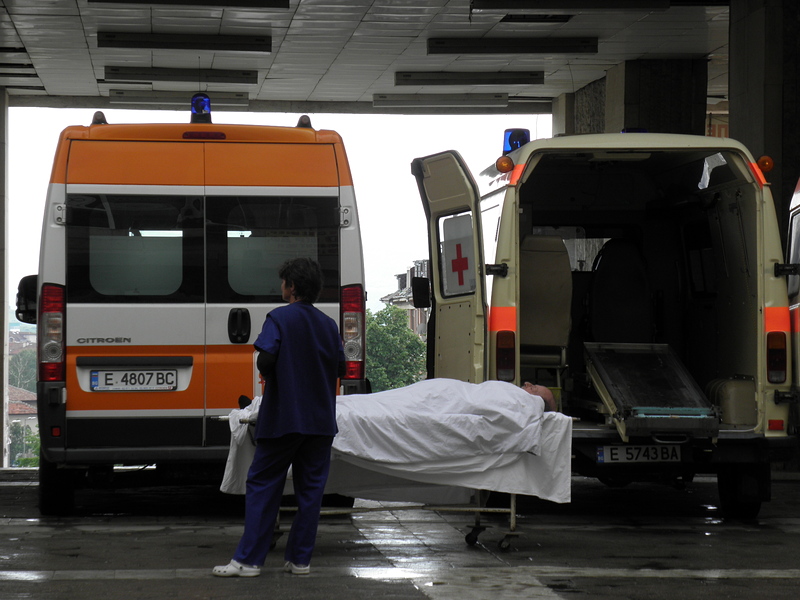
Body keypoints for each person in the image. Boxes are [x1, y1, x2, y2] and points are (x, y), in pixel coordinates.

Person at [213, 257, 345, 578]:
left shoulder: (279, 318)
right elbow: (340, 367)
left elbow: (265, 361)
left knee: (263, 484)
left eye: (284, 282)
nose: (281, 287)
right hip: (320, 421)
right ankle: (300, 561)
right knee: (310, 492)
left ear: (292, 287)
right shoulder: (329, 324)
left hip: (285, 417)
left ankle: (248, 561)